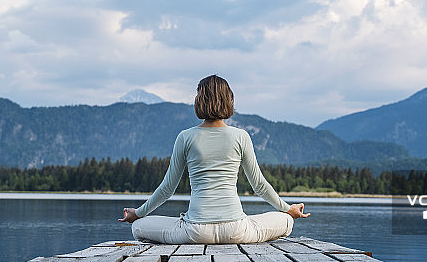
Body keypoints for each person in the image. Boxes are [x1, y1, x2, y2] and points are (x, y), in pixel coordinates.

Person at [118, 74, 309, 244]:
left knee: (138, 227)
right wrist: (287, 209)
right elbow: (258, 185)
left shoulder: (185, 137)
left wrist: (138, 213)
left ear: (199, 101)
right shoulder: (241, 136)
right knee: (286, 221)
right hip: (237, 230)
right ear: (229, 100)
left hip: (194, 232)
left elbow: (168, 188)